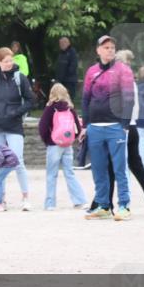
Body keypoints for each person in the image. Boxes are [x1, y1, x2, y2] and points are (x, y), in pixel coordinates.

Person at [88, 51, 144, 217]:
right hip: (132, 127)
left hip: (119, 128)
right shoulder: (130, 81)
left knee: (109, 166)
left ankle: (102, 205)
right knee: (135, 167)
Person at [82, 35, 134, 221]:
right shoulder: (91, 72)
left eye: (112, 47)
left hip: (115, 126)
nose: (110, 50)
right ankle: (103, 205)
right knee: (98, 168)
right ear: (98, 50)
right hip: (95, 127)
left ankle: (124, 206)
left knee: (120, 168)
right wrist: (85, 125)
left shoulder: (123, 70)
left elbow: (129, 98)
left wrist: (125, 125)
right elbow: (86, 99)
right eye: (106, 47)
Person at [0, 47, 34, 210]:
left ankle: (25, 198)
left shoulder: (20, 78)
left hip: (14, 125)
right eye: (6, 61)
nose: (10, 64)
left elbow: (31, 100)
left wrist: (16, 113)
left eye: (11, 60)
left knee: (18, 161)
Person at [37, 83, 86, 211]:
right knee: (69, 173)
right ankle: (79, 201)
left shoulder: (50, 108)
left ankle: (50, 204)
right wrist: (71, 138)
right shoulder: (70, 108)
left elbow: (42, 127)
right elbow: (78, 127)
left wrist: (48, 140)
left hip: (54, 145)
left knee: (51, 174)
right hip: (67, 145)